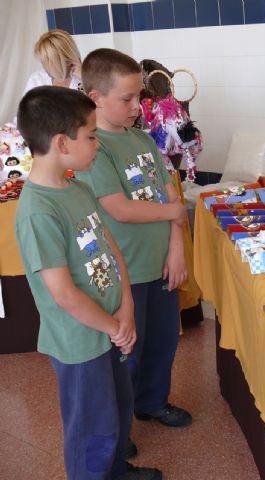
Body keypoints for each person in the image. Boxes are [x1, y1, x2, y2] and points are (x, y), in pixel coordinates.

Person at [15, 86, 161, 479]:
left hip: (111, 327)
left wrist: (126, 307)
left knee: (116, 409)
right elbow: (62, 293)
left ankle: (116, 471)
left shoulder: (77, 187)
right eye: (92, 136)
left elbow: (113, 253)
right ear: (62, 143)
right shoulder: (37, 211)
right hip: (81, 341)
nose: (98, 145)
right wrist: (115, 326)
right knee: (91, 428)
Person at [76, 49, 192, 448]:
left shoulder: (142, 137)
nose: (136, 106)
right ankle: (118, 430)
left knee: (163, 342)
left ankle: (152, 402)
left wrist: (177, 247)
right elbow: (119, 208)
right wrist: (174, 212)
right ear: (95, 98)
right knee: (126, 355)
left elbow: (169, 189)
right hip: (126, 272)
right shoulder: (94, 148)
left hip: (161, 264)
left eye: (138, 96)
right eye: (126, 98)